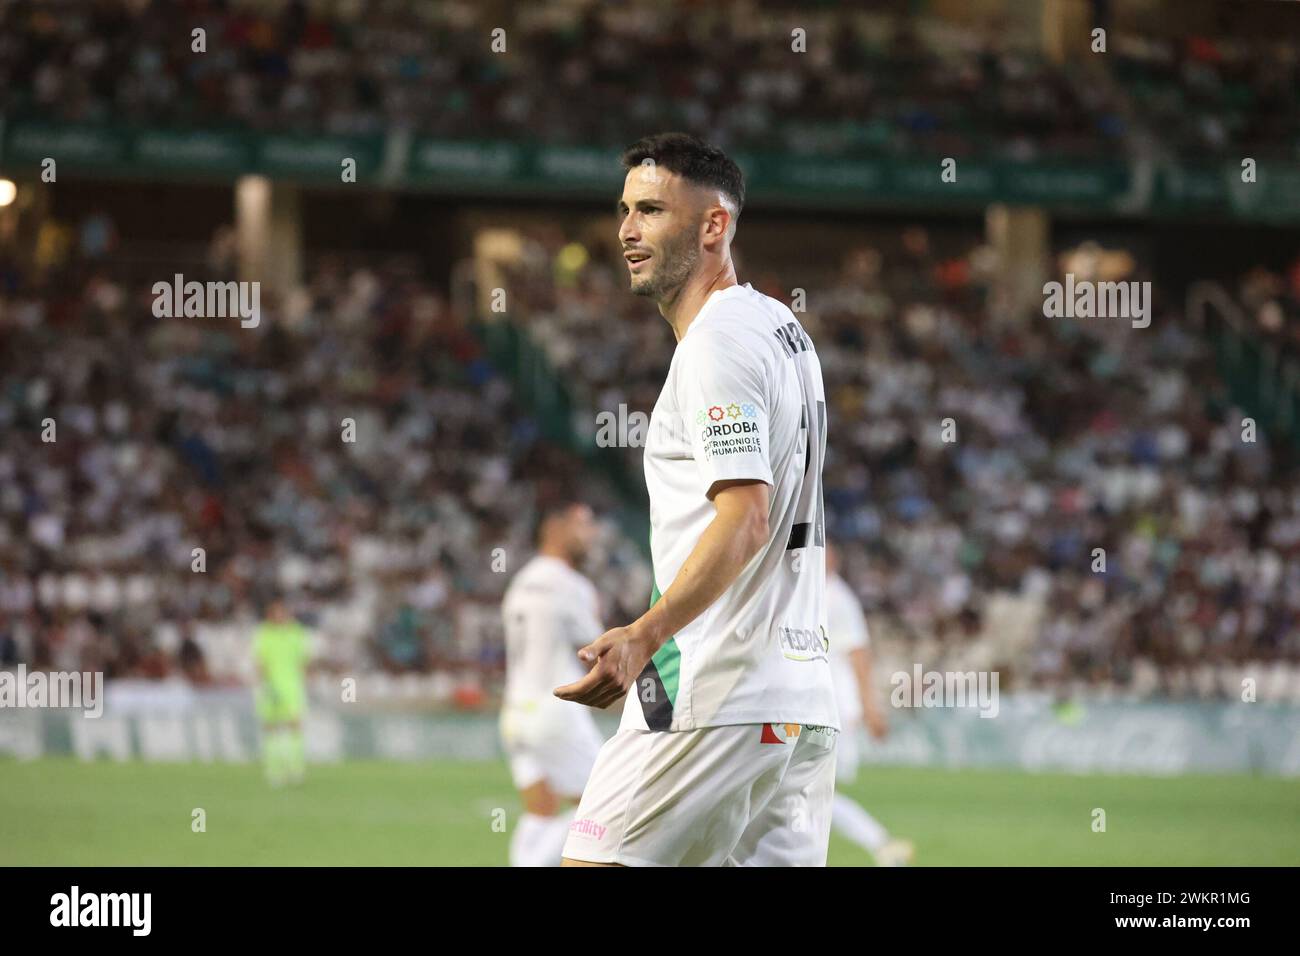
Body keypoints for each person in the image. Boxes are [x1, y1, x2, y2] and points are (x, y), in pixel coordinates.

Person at [556, 132, 837, 866]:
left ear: (714, 226)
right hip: (798, 702)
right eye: (623, 210)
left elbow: (746, 518)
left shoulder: (716, 345)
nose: (625, 230)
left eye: (650, 210)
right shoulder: (781, 330)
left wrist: (645, 632)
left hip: (712, 694)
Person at [500, 500, 607, 866]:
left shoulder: (520, 581)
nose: (591, 535)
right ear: (553, 527)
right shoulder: (571, 585)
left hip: (515, 712)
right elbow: (597, 651)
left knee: (540, 812)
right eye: (583, 524)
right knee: (607, 805)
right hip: (555, 712)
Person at [826, 542, 914, 866]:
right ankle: (880, 843)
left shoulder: (838, 599)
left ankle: (879, 842)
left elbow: (859, 655)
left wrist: (870, 708)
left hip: (833, 707)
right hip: (824, 706)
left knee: (810, 788)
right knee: (810, 790)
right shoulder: (817, 592)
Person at [253, 598, 310, 787]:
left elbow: (303, 661)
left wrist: (301, 682)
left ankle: (295, 769)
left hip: (292, 687)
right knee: (271, 727)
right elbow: (260, 663)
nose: (279, 616)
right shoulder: (264, 634)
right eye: (275, 613)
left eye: (282, 612)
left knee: (294, 726)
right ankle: (274, 770)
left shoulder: (296, 632)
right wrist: (265, 685)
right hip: (271, 687)